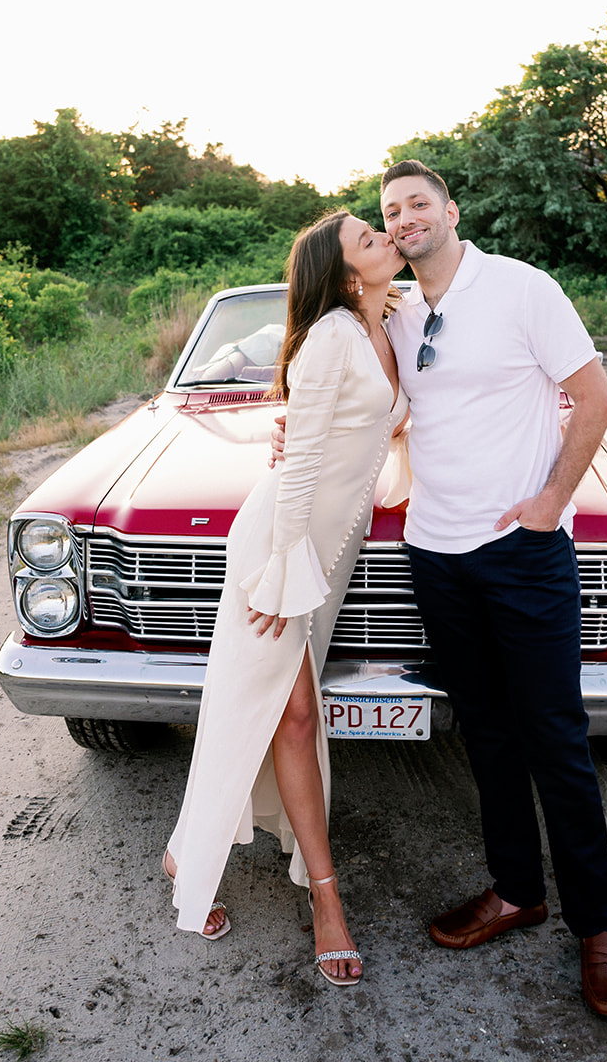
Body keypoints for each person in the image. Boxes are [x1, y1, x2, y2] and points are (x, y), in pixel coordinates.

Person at [378, 159, 607, 1019]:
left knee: (553, 736)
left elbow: (592, 399)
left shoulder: (523, 288)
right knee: (484, 733)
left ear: (450, 210)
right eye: (391, 211)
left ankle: (596, 929)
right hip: (434, 552)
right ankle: (515, 890)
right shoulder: (403, 312)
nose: (406, 217)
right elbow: (384, 412)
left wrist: (550, 502)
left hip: (520, 552)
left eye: (419, 203)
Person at [165, 208, 408, 988]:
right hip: (282, 546)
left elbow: (383, 434)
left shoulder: (391, 322)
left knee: (260, 708)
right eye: (368, 239)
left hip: (327, 553)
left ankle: (182, 847)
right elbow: (298, 467)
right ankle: (326, 902)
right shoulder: (332, 336)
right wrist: (278, 566)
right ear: (341, 275)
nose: (386, 239)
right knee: (282, 713)